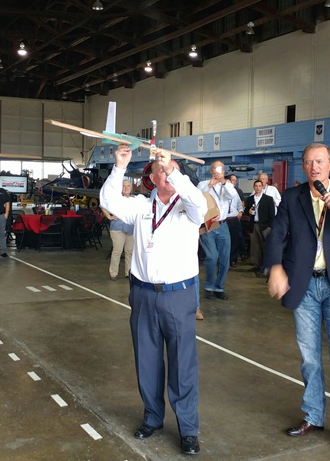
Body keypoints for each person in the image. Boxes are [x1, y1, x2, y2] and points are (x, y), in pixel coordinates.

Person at [264, 143, 330, 452]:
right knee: (310, 359)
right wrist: (275, 267)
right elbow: (278, 235)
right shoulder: (291, 198)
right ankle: (313, 415)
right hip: (305, 286)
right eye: (309, 161)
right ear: (304, 167)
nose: (315, 166)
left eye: (320, 161)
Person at [99, 145, 207, 456]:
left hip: (178, 295)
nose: (168, 172)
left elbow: (200, 202)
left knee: (182, 364)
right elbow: (109, 201)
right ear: (152, 178)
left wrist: (174, 166)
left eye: (172, 169)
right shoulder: (141, 207)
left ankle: (188, 428)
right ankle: (152, 416)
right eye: (162, 169)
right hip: (143, 294)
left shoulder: (188, 208)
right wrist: (119, 167)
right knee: (147, 361)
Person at [197, 161, 236, 300]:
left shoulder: (228, 185)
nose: (217, 172)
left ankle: (219, 287)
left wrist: (223, 182)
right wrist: (210, 185)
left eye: (220, 170)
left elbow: (232, 196)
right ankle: (209, 285)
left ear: (224, 172)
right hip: (208, 226)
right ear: (211, 171)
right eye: (215, 169)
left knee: (225, 258)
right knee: (212, 256)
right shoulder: (203, 184)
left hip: (223, 225)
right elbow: (196, 198)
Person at [101, 180, 135, 281]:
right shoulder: (115, 198)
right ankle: (113, 273)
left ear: (131, 187)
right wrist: (109, 216)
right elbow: (103, 205)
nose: (126, 188)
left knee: (129, 251)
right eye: (124, 186)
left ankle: (128, 272)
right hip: (117, 228)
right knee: (117, 250)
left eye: (128, 186)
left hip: (131, 228)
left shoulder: (135, 200)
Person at [243, 179, 275, 274]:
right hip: (254, 225)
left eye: (259, 186)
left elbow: (272, 215)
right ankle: (256, 265)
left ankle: (265, 266)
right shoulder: (250, 199)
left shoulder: (268, 199)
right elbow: (245, 211)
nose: (257, 188)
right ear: (253, 187)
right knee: (255, 247)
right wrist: (248, 211)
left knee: (264, 246)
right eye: (256, 186)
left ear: (263, 187)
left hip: (264, 226)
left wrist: (270, 227)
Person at [225, 174, 245, 267]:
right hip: (223, 220)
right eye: (232, 180)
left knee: (234, 240)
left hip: (233, 219)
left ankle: (233, 259)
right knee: (224, 241)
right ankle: (224, 260)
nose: (234, 182)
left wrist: (240, 211)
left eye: (234, 181)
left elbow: (239, 204)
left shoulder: (236, 192)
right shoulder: (221, 192)